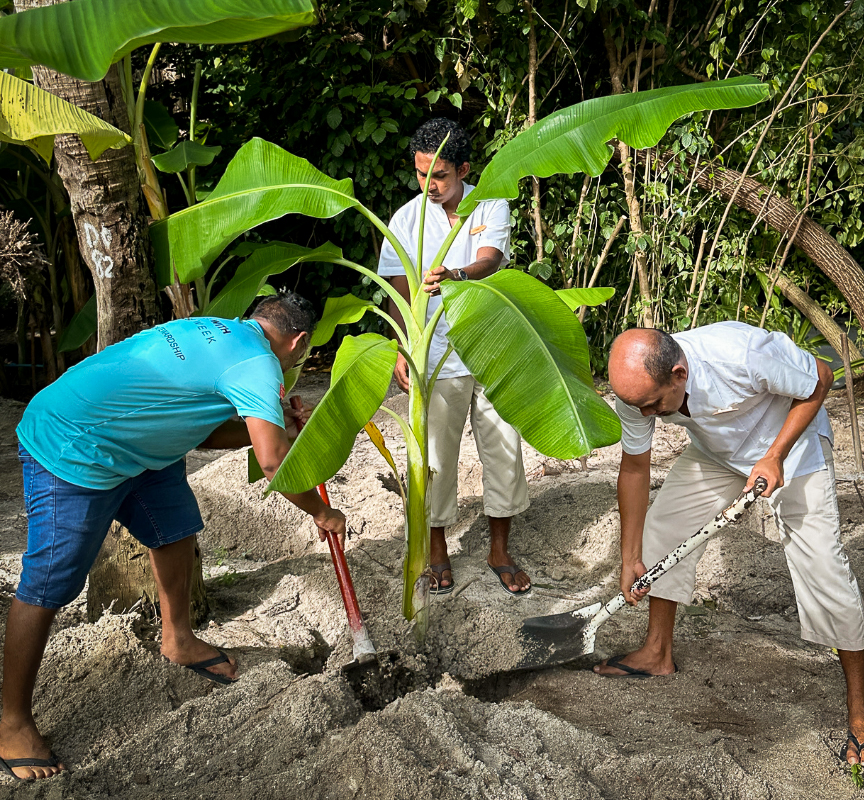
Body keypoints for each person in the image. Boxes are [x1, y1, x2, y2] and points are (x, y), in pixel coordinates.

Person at [0, 292, 347, 782]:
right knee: (48, 584)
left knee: (175, 532)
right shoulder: (260, 364)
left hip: (137, 448)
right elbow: (272, 462)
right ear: (299, 341)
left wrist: (277, 426)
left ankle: (177, 638)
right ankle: (11, 721)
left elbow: (200, 430)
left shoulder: (212, 328)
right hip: (74, 445)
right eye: (303, 355)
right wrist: (321, 512)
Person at [595, 321, 864, 771]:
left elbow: (821, 377)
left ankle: (860, 708)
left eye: (653, 406)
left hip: (793, 445)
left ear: (678, 374)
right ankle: (656, 652)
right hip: (718, 454)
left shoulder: (740, 353)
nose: (646, 416)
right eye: (638, 408)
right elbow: (634, 467)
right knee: (663, 526)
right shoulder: (636, 392)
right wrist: (630, 557)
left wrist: (775, 454)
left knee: (822, 565)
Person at [378, 118, 531, 596]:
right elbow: (397, 290)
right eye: (421, 174)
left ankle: (499, 549)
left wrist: (456, 274)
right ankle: (438, 549)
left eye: (439, 175)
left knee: (504, 450)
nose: (429, 186)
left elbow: (491, 259)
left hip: (490, 348)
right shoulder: (406, 218)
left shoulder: (491, 204)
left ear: (464, 169)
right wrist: (402, 344)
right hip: (436, 354)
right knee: (436, 459)